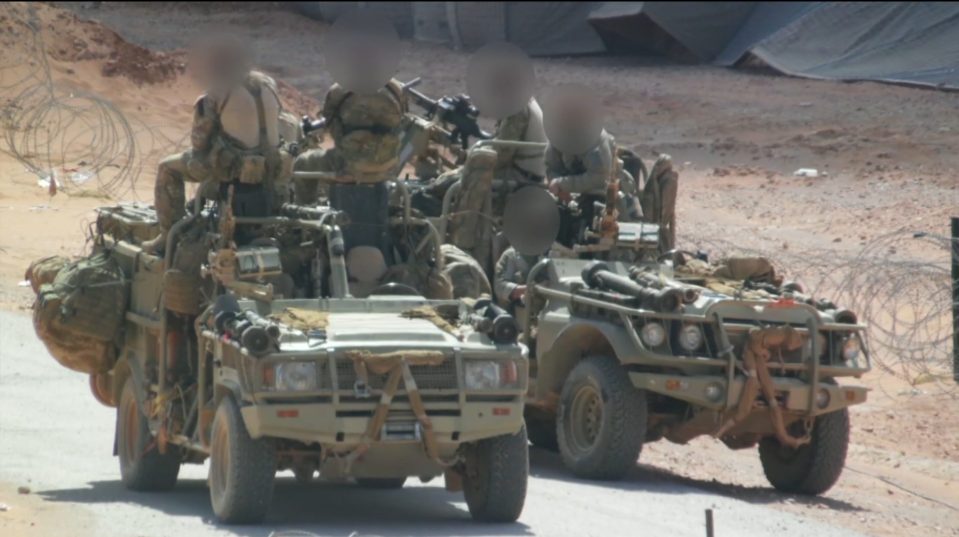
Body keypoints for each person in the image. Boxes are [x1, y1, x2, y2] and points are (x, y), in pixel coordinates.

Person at [143, 35, 289, 254]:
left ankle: (169, 235)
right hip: (271, 167)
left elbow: (199, 142)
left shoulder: (217, 92)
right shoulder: (269, 84)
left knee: (167, 168)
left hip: (235, 169)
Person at [292, 78, 408, 205]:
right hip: (387, 166)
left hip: (346, 165)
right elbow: (403, 119)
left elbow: (330, 122)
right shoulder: (396, 88)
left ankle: (305, 211)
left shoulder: (340, 88)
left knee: (303, 162)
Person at [493, 246, 542, 312]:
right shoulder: (511, 255)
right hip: (518, 311)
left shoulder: (550, 253)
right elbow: (499, 287)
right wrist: (529, 288)